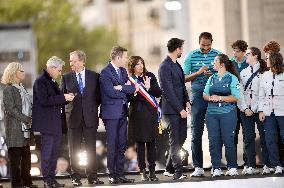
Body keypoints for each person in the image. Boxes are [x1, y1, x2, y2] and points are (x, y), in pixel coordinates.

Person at [61, 50, 103, 186]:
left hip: (90, 118)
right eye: (70, 61)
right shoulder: (66, 77)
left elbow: (98, 97)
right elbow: (62, 98)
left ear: (81, 61)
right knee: (74, 149)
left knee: (91, 148)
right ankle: (76, 176)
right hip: (73, 118)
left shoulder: (94, 76)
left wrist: (90, 108)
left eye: (73, 60)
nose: (70, 63)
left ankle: (92, 176)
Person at [32, 56, 75, 188]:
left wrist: (67, 98)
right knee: (47, 153)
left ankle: (52, 179)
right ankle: (47, 180)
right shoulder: (41, 81)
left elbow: (55, 100)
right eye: (59, 70)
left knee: (54, 154)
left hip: (55, 124)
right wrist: (63, 97)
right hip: (48, 124)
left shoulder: (51, 81)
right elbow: (45, 101)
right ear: (52, 68)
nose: (60, 73)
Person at [183, 32, 221, 177]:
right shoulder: (191, 56)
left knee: (215, 133)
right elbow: (184, 78)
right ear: (199, 42)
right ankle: (198, 166)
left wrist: (213, 74)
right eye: (203, 45)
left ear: (212, 42)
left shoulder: (218, 55)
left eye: (208, 45)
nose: (205, 48)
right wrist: (199, 73)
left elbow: (225, 74)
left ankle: (216, 166)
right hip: (198, 97)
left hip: (214, 96)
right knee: (196, 133)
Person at [99, 46, 136, 184]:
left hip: (122, 113)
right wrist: (124, 92)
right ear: (118, 57)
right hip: (111, 114)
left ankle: (120, 174)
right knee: (112, 145)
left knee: (122, 145)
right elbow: (110, 92)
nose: (127, 59)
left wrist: (121, 87)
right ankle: (112, 175)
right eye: (125, 57)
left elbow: (132, 88)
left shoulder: (123, 71)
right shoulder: (105, 72)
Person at [203, 54, 240, 177]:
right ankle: (216, 167)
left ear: (222, 64)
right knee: (214, 141)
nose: (213, 63)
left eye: (215, 61)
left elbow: (235, 97)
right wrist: (211, 98)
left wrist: (218, 98)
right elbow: (205, 95)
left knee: (228, 140)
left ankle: (232, 167)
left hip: (227, 114)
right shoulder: (211, 78)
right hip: (211, 114)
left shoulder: (232, 78)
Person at [1, 62, 37, 188]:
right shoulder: (8, 90)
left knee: (27, 159)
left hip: (26, 130)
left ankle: (27, 182)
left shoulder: (23, 88)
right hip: (15, 130)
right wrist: (27, 119)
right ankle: (16, 185)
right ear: (13, 72)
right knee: (15, 161)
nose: (23, 72)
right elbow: (11, 109)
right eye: (21, 71)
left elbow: (29, 107)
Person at [158, 38, 189, 180]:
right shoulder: (164, 66)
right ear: (177, 49)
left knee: (182, 137)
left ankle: (169, 168)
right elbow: (167, 91)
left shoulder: (177, 65)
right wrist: (180, 109)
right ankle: (178, 172)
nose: (182, 50)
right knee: (175, 141)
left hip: (182, 109)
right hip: (171, 111)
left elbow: (182, 86)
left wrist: (187, 102)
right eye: (181, 48)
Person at [127, 56, 161, 181]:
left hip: (151, 113)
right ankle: (142, 171)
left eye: (142, 63)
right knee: (140, 145)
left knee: (152, 143)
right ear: (132, 67)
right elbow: (128, 98)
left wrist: (148, 88)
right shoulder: (129, 79)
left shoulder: (150, 76)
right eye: (137, 64)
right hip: (137, 114)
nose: (141, 66)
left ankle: (152, 171)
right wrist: (134, 92)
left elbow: (158, 92)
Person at [238, 47, 270, 175]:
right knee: (249, 138)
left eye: (248, 54)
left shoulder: (264, 72)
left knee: (264, 137)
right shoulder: (243, 72)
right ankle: (250, 165)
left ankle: (267, 164)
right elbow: (240, 92)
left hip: (260, 110)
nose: (246, 56)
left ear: (255, 56)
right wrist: (245, 108)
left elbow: (264, 93)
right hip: (246, 110)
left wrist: (256, 108)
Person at [259, 52, 284, 174]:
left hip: (282, 112)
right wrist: (261, 111)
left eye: (267, 58)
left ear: (274, 60)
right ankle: (276, 165)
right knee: (270, 139)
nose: (265, 60)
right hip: (268, 113)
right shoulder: (265, 76)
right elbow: (261, 95)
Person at [230, 40, 249, 166]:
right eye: (234, 51)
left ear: (244, 52)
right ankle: (233, 164)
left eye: (237, 51)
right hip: (233, 104)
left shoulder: (249, 63)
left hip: (246, 103)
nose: (235, 54)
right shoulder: (230, 63)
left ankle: (248, 162)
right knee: (233, 134)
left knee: (247, 134)